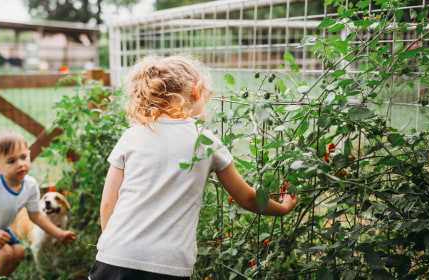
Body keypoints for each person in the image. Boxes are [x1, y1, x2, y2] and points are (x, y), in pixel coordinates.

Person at [89, 55, 298, 280]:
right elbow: (247, 199)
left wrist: (113, 246)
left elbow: (109, 204)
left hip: (113, 257)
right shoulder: (206, 142)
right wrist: (283, 208)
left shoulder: (132, 136)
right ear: (196, 92)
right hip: (167, 264)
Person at [0, 130, 76, 277]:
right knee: (5, 253)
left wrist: (59, 234)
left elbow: (36, 216)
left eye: (23, 157)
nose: (20, 164)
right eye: (11, 161)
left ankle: (1, 277)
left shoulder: (30, 185)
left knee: (18, 252)